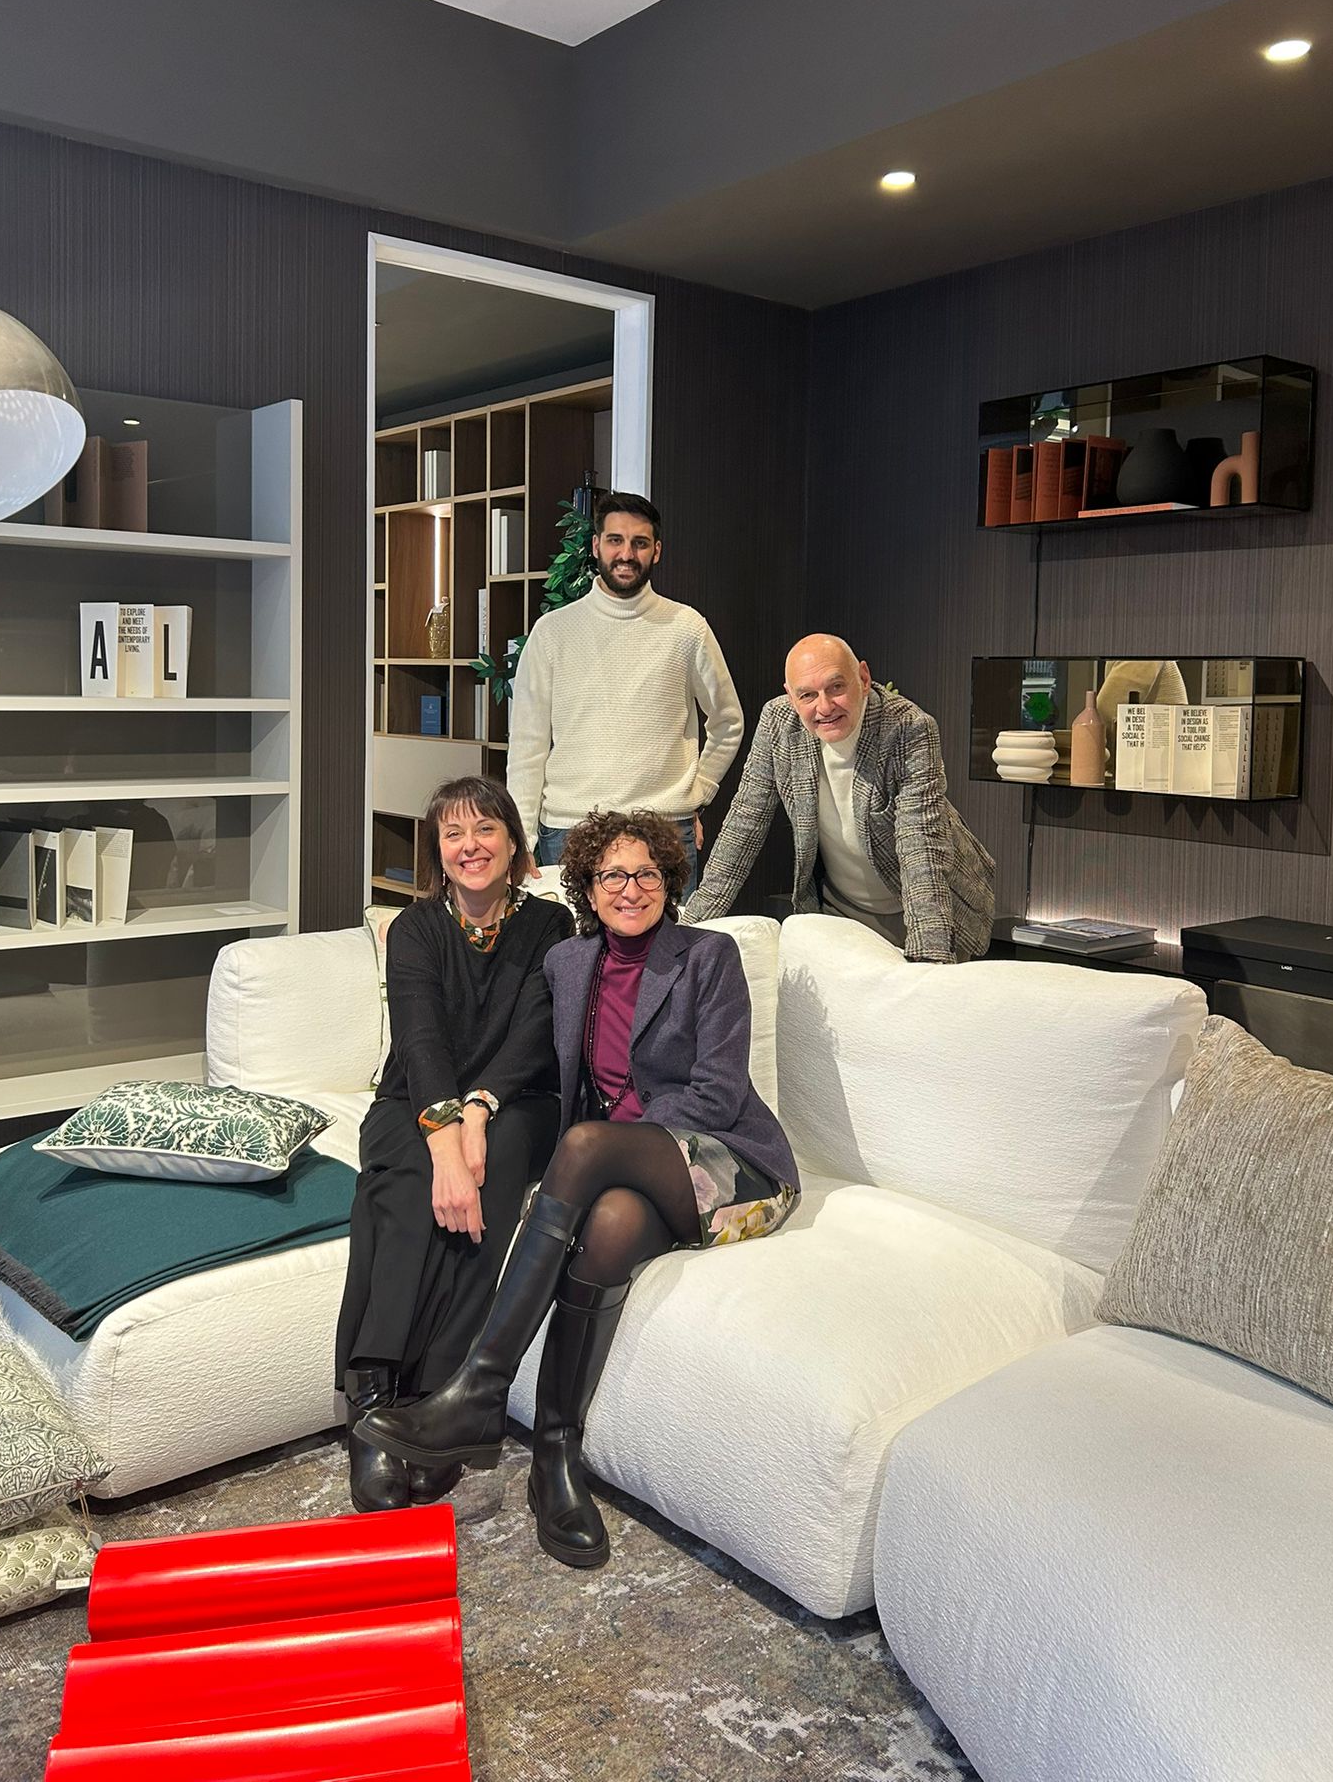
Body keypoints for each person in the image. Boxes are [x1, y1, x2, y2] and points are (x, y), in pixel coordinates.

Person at [356, 808, 798, 1568]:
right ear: (588, 890)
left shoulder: (708, 956)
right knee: (608, 1228)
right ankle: (555, 1459)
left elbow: (720, 1094)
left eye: (647, 873)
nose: (631, 889)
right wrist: (470, 1114)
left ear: (670, 882)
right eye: (612, 875)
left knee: (587, 1144)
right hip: (632, 1177)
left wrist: (620, 1145)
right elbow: (541, 1062)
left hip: (729, 1166)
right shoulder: (568, 964)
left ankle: (480, 1387)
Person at [335, 776, 573, 1513]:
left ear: (514, 843)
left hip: (515, 1101)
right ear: (438, 850)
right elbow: (422, 1039)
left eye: (485, 829)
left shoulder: (551, 924)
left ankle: (441, 1400)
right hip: (415, 1098)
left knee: (493, 1182)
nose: (470, 846)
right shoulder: (414, 929)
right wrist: (446, 1145)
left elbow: (535, 1032)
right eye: (453, 833)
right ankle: (375, 1402)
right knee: (405, 1190)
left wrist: (480, 1110)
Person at [684, 633, 995, 962]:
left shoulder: (908, 727)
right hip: (839, 911)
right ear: (791, 697)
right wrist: (689, 929)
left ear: (863, 678)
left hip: (925, 907)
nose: (824, 707)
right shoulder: (778, 723)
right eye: (807, 695)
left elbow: (921, 846)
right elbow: (744, 825)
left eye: (836, 687)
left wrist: (929, 960)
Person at [504, 490, 743, 897]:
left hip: (665, 827)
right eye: (615, 540)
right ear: (596, 545)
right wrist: (521, 840)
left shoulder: (687, 628)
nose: (626, 554)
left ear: (657, 551)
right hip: (570, 828)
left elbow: (728, 721)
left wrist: (698, 789)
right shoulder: (552, 632)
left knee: (671, 940)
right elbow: (528, 745)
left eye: (640, 543)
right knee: (573, 940)